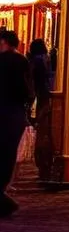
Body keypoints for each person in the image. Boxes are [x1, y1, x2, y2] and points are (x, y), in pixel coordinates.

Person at [0, 30, 34, 219]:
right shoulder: (20, 62)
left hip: (8, 112)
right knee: (6, 155)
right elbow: (27, 91)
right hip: (13, 114)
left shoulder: (13, 61)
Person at [28, 39, 53, 180]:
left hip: (40, 94)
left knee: (40, 122)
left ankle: (42, 162)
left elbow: (36, 79)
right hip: (45, 93)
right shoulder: (46, 59)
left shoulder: (36, 62)